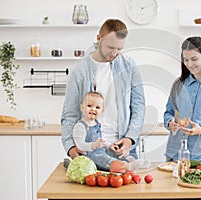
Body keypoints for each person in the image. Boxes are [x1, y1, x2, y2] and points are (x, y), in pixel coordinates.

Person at [61, 19, 145, 165]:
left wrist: (130, 138)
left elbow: (139, 107)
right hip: (90, 151)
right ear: (99, 38)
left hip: (123, 150)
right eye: (110, 47)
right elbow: (70, 112)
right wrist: (70, 146)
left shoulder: (129, 66)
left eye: (119, 49)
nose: (114, 53)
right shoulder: (79, 69)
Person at [73, 91, 145, 171]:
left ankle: (131, 161)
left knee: (114, 153)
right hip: (90, 155)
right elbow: (80, 145)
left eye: (97, 107)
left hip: (101, 150)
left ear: (102, 111)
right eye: (89, 106)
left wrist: (109, 145)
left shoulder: (97, 123)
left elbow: (101, 141)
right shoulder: (80, 126)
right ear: (82, 108)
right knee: (105, 159)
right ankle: (125, 167)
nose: (93, 109)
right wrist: (93, 145)